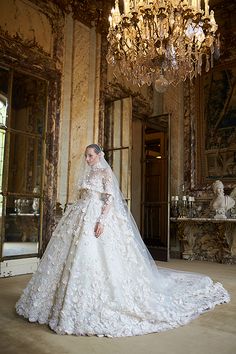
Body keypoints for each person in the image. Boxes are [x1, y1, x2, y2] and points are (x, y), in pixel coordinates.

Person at [16, 144, 230, 337]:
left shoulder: (105, 172)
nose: (87, 159)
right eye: (86, 156)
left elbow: (108, 199)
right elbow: (82, 196)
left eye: (90, 155)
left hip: (98, 215)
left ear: (99, 155)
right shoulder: (89, 171)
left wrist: (101, 221)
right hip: (80, 213)